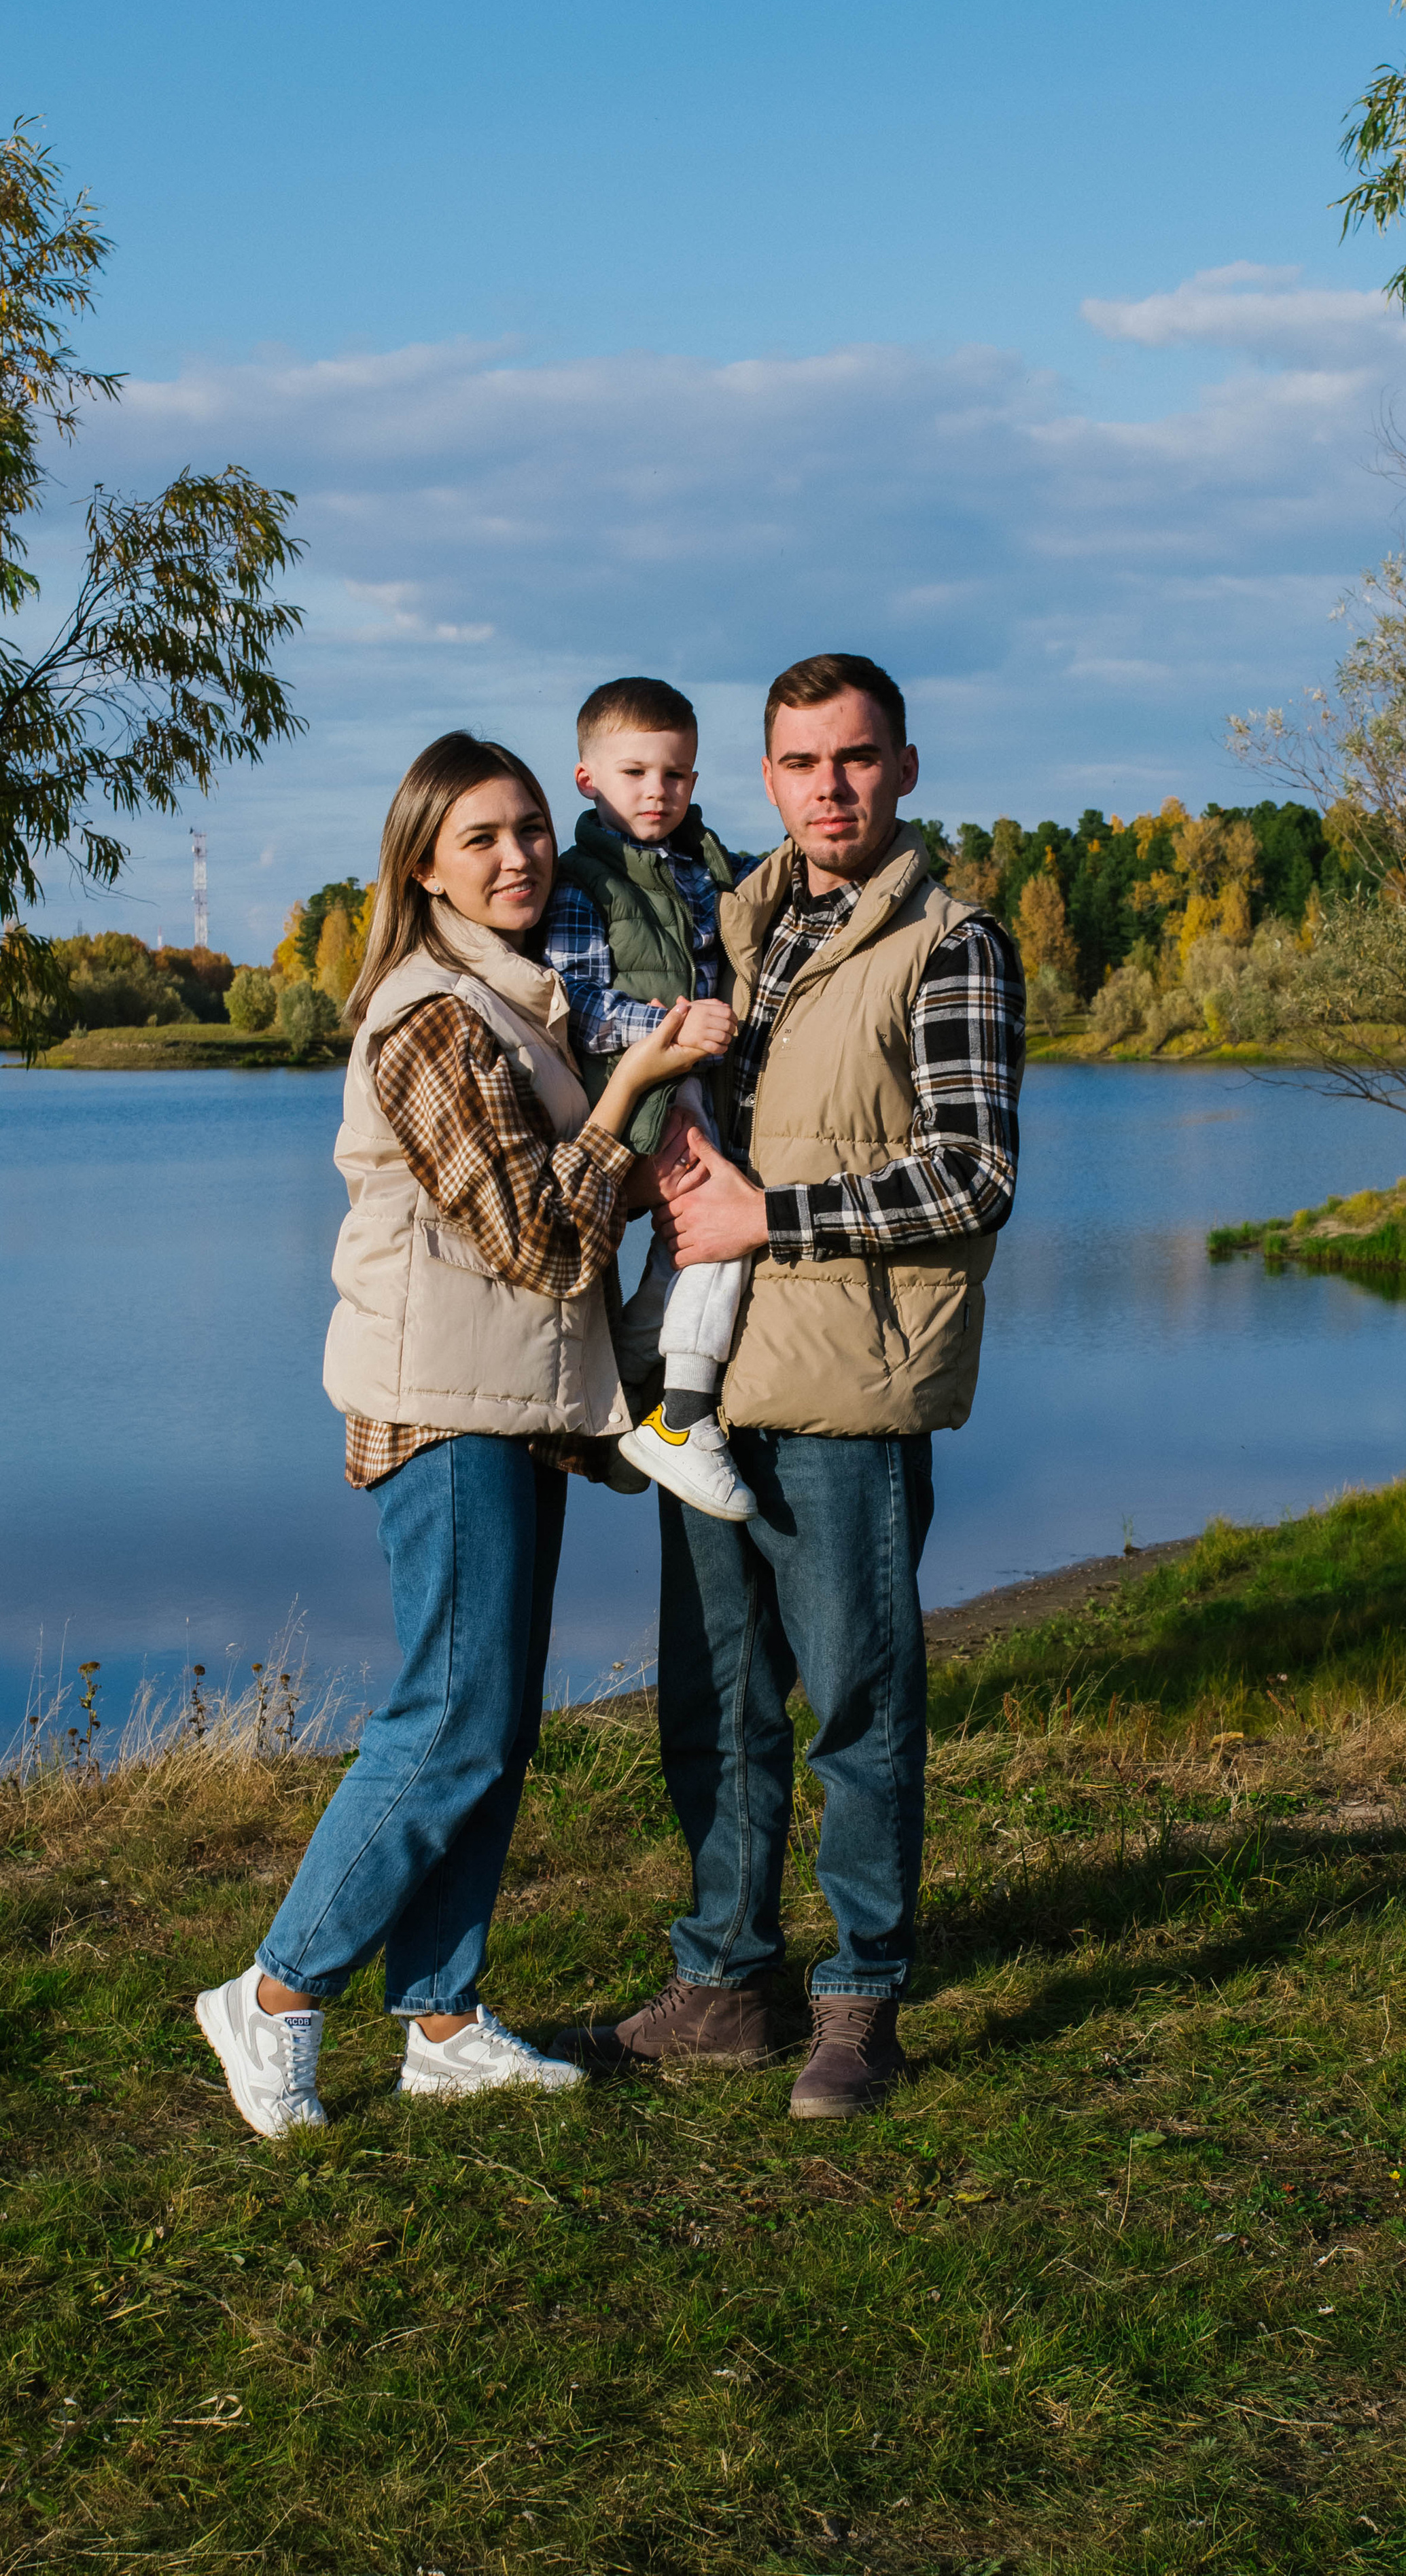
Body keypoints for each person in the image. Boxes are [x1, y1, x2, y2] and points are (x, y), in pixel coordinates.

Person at [196, 732, 728, 2139]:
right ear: (420, 862)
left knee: (489, 1726)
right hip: (445, 1407)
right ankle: (276, 1992)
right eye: (481, 837)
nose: (517, 856)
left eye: (532, 831)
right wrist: (624, 1098)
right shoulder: (433, 1015)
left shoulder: (521, 1000)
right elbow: (535, 1237)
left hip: (518, 1402)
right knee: (447, 1717)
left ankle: (440, 2020)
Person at [599, 654, 1025, 2117]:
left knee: (856, 1701)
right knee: (717, 1701)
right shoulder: (735, 918)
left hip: (848, 1383)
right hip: (705, 1388)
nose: (827, 788)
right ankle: (720, 1980)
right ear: (765, 777)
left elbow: (975, 1175)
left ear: (903, 767)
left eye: (853, 759)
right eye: (799, 762)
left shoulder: (952, 942)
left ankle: (858, 2001)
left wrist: (769, 1218)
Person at [543, 677, 764, 1522]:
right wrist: (674, 1025)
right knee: (720, 1232)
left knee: (690, 1254)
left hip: (694, 1084)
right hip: (638, 1096)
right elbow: (582, 1008)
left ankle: (633, 1390)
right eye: (634, 773)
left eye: (675, 775)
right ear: (587, 780)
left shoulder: (704, 865)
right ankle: (681, 1421)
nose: (657, 793)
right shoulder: (582, 883)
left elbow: (757, 908)